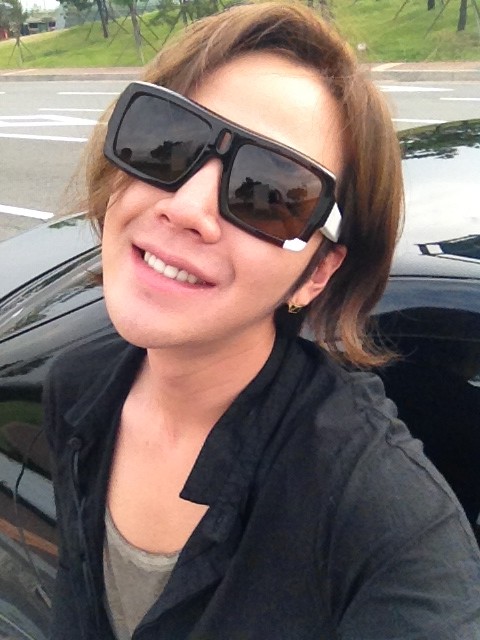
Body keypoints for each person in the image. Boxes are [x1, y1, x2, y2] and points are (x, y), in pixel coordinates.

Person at [44, 3, 480, 639]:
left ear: (318, 272)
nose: (187, 207)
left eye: (270, 194)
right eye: (167, 141)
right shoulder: (77, 390)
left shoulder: (385, 517)